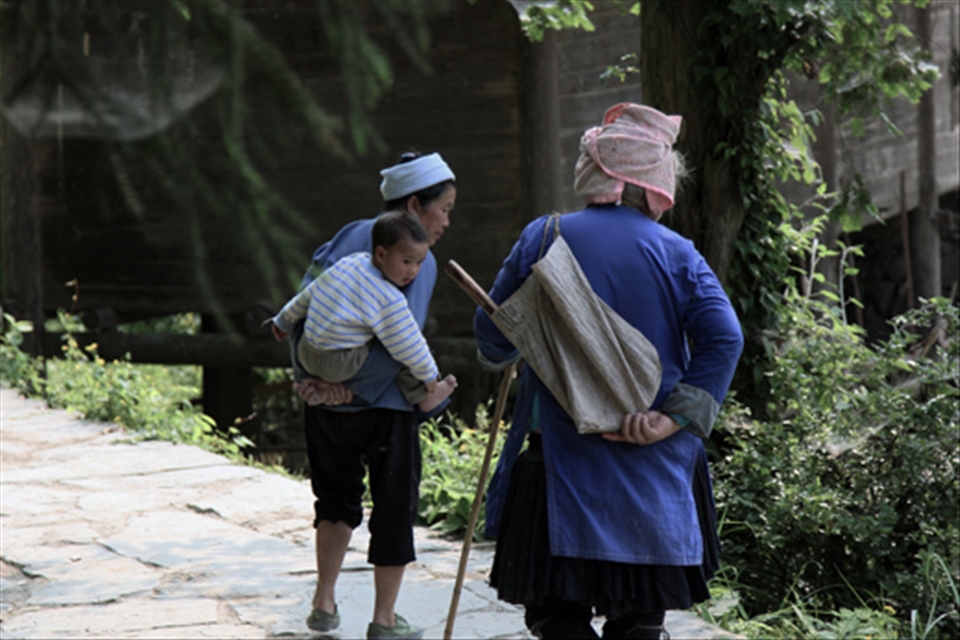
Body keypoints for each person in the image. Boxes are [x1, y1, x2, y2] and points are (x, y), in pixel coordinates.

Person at [473, 103, 744, 640]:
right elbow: (725, 338)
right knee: (639, 620)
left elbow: (492, 338)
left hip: (561, 463)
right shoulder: (679, 254)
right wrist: (671, 418)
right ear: (654, 185)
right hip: (653, 467)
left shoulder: (543, 237)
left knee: (557, 617)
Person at [292, 151, 457, 640]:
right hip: (384, 411)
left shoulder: (348, 236)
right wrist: (353, 390)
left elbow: (302, 307)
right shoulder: (415, 256)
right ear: (413, 204)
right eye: (444, 208)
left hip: (325, 407)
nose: (447, 221)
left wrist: (314, 382)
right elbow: (401, 343)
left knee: (334, 500)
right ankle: (384, 621)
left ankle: (324, 601)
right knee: (393, 508)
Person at [270, 209, 457, 413]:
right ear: (381, 254)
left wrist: (284, 320)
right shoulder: (389, 297)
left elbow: (310, 292)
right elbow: (410, 344)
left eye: (419, 262)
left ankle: (325, 389)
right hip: (337, 363)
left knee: (386, 336)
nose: (413, 271)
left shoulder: (349, 263)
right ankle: (423, 397)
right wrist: (429, 375)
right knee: (402, 344)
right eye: (406, 261)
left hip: (306, 351)